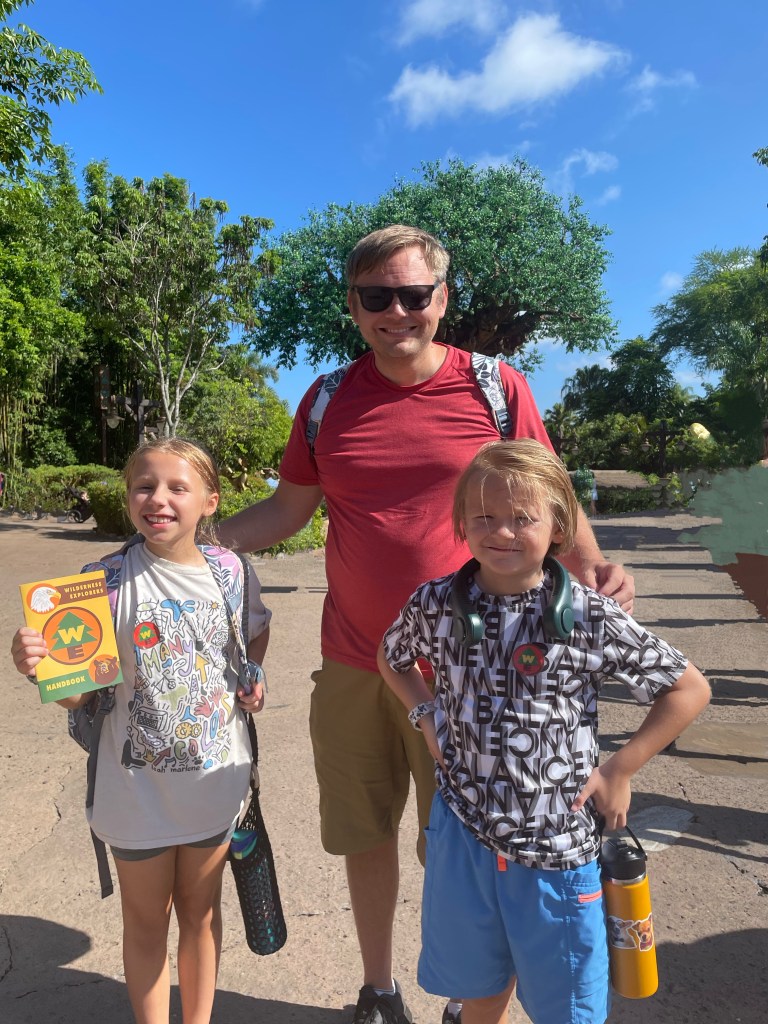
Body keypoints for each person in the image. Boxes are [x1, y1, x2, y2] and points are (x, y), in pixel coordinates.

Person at [217, 224, 635, 1024]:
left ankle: (472, 998)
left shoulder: (495, 386)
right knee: (364, 834)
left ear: (442, 299)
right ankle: (379, 988)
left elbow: (547, 497)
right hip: (354, 661)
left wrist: (592, 567)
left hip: (482, 671)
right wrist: (185, 548)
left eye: (415, 294)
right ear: (353, 306)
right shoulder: (326, 399)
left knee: (475, 848)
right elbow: (287, 509)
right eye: (378, 297)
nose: (397, 311)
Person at [376, 438, 710, 1024]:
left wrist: (620, 768)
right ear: (461, 523)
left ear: (558, 526)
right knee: (478, 990)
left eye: (522, 518)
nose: (502, 532)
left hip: (555, 844)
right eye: (484, 517)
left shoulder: (587, 615)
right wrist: (424, 714)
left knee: (568, 1006)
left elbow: (688, 689)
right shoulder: (434, 604)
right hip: (465, 831)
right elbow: (392, 657)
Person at [11, 438, 271, 1024]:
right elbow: (80, 694)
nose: (159, 499)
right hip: (134, 793)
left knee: (201, 916)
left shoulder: (230, 572)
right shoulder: (100, 582)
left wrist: (250, 679)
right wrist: (39, 668)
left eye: (178, 488)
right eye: (144, 486)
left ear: (210, 501)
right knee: (146, 923)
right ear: (128, 496)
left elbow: (252, 635)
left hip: (214, 783)